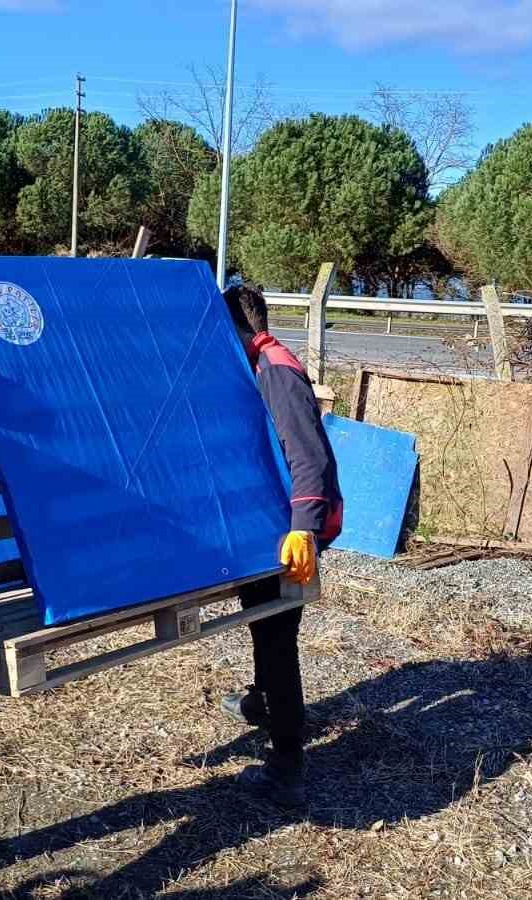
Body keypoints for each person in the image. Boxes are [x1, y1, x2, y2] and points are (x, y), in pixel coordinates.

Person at [218, 283, 343, 810]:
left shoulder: (277, 370)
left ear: (236, 329)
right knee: (264, 622)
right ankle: (262, 702)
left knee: (276, 636)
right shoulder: (261, 362)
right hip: (276, 520)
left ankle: (287, 765)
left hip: (295, 529)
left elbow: (308, 456)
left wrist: (303, 528)